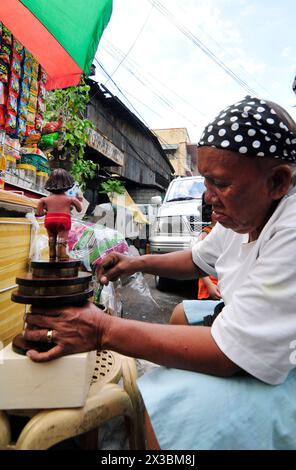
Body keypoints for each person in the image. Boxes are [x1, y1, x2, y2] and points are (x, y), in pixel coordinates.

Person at [24, 96, 296, 450]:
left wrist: (102, 329)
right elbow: (196, 260)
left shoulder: (289, 232)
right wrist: (135, 263)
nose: (208, 197)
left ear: (276, 182)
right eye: (205, 181)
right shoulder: (243, 214)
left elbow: (229, 354)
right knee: (182, 312)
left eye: (220, 183)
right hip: (246, 327)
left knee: (169, 407)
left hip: (286, 367)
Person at [36, 168, 82, 261]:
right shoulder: (70, 199)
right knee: (62, 239)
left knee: (51, 239)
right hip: (63, 220)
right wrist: (78, 200)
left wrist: (46, 212)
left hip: (49, 219)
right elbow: (79, 209)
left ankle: (52, 255)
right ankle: (62, 255)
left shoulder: (44, 200)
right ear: (67, 183)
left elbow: (39, 213)